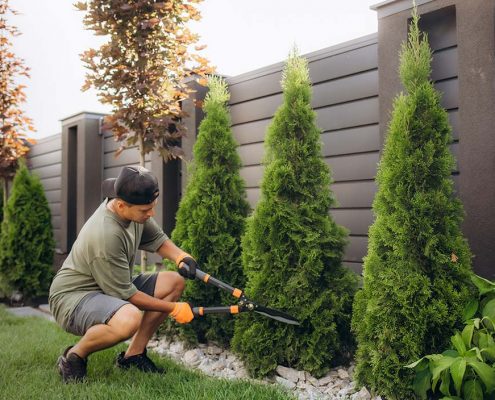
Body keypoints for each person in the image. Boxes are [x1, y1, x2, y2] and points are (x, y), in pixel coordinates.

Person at [49, 166, 197, 383]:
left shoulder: (131, 200)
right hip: (73, 298)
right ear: (120, 205)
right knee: (128, 320)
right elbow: (128, 295)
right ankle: (74, 357)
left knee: (173, 281)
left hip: (109, 287)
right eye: (145, 210)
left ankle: (133, 355)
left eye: (152, 207)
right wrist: (174, 309)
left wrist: (181, 256)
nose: (151, 214)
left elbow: (157, 239)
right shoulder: (105, 235)